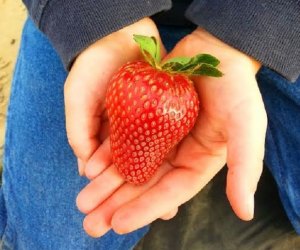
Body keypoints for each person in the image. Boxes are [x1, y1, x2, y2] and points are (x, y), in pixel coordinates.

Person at [0, 0, 299, 249]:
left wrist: (255, 30)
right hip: (88, 17)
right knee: (50, 237)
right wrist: (94, 18)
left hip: (274, 16)